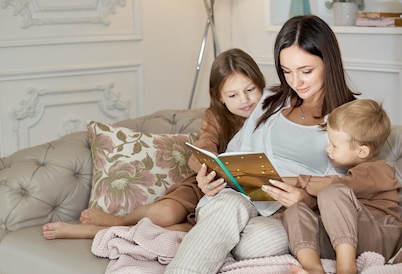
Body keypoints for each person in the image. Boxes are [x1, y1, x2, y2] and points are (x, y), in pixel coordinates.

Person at [117, 14, 358, 274]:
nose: (296, 82)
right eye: (287, 71)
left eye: (306, 71)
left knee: (256, 242)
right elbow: (234, 155)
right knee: (227, 206)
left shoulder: (350, 117)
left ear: (329, 61)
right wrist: (212, 177)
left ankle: (204, 237)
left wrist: (305, 197)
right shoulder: (270, 104)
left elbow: (355, 187)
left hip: (285, 215)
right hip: (241, 195)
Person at [42, 48, 265, 239]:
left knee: (178, 231)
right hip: (204, 185)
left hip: (239, 195)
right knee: (164, 214)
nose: (244, 100)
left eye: (249, 90)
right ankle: (120, 221)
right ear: (220, 98)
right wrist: (205, 172)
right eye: (233, 95)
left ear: (260, 84)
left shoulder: (273, 114)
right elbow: (203, 148)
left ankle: (100, 232)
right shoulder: (216, 116)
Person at [282, 99, 402, 274]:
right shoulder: (349, 177)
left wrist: (292, 180)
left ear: (362, 151)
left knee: (332, 192)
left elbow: (332, 187)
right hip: (349, 238)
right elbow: (333, 209)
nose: (327, 149)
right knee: (296, 210)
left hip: (380, 236)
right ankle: (314, 271)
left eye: (334, 145)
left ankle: (346, 270)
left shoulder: (378, 170)